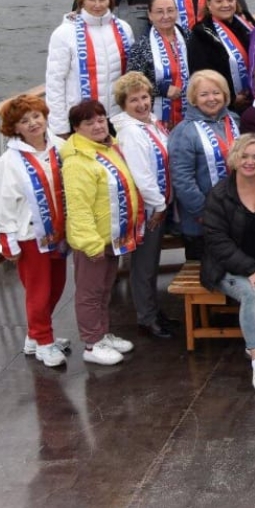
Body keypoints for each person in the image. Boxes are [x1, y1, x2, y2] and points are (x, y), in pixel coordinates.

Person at [200, 134, 255, 395]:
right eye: (245, 156)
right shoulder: (219, 194)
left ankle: (254, 341)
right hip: (228, 264)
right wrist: (249, 269)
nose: (250, 162)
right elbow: (217, 241)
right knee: (254, 292)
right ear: (234, 158)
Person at [61, 100, 143, 366]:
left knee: (104, 289)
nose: (97, 126)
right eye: (89, 123)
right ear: (76, 128)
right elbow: (78, 206)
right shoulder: (77, 160)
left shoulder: (107, 147)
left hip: (112, 235)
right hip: (93, 241)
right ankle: (91, 343)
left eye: (100, 120)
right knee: (89, 293)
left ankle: (102, 332)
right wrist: (90, 243)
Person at [0, 95, 70, 367]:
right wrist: (7, 240)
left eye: (36, 116)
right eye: (24, 121)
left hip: (59, 232)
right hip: (30, 236)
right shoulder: (9, 162)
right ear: (15, 129)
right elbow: (2, 203)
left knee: (57, 287)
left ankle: (36, 335)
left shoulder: (60, 146)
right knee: (38, 290)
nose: (33, 123)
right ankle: (44, 342)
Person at [110, 73, 176, 340]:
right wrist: (159, 205)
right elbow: (142, 175)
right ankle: (146, 318)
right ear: (123, 104)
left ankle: (153, 311)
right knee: (145, 265)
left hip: (160, 203)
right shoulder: (131, 132)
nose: (141, 104)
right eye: (134, 100)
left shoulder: (151, 124)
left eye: (145, 97)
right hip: (148, 209)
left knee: (151, 262)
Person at [46, 0, 135, 135]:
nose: (97, 4)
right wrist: (60, 127)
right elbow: (55, 82)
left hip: (118, 118)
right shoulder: (65, 33)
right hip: (82, 120)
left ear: (110, 1)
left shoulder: (124, 29)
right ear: (81, 1)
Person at [168, 70, 240, 259]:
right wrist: (205, 213)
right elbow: (182, 180)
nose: (211, 99)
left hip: (237, 216)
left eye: (216, 92)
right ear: (193, 98)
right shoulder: (184, 131)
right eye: (204, 94)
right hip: (201, 222)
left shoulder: (234, 121)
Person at [186, 0, 255, 113]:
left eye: (230, 0)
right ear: (208, 4)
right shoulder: (200, 34)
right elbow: (201, 74)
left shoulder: (246, 23)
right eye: (219, 1)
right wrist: (230, 96)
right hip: (226, 103)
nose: (226, 5)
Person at [125, 0, 190, 131]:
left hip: (189, 111)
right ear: (150, 15)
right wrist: (160, 89)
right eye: (159, 12)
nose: (166, 16)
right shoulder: (141, 46)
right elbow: (132, 84)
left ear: (177, 12)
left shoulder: (189, 38)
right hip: (155, 114)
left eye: (170, 11)